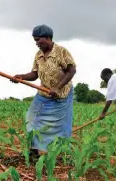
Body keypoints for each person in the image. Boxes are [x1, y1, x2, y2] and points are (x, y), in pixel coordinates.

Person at [11, 24, 77, 157]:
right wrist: (21, 77)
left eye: (38, 40)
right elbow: (34, 74)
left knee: (61, 125)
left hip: (61, 96)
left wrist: (57, 88)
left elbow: (71, 71)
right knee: (31, 119)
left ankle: (63, 152)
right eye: (35, 40)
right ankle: (34, 149)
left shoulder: (61, 52)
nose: (36, 43)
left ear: (48, 38)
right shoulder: (38, 55)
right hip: (43, 94)